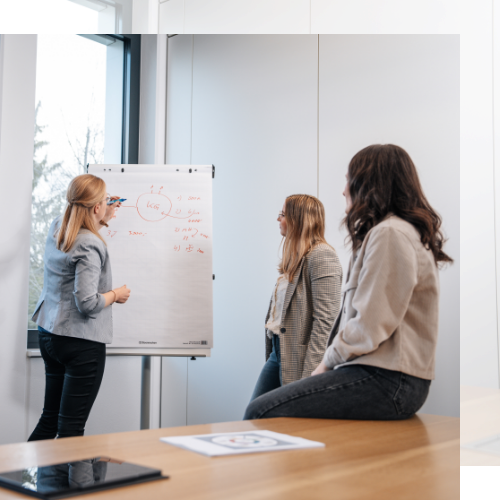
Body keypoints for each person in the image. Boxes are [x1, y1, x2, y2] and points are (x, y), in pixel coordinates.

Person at [244, 144, 453, 420]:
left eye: (348, 180)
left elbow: (368, 324)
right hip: (385, 376)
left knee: (260, 410)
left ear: (369, 184)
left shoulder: (390, 234)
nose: (344, 190)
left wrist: (324, 365)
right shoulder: (384, 234)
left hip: (388, 379)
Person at [28, 174, 131, 441]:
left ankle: (15, 479)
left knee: (49, 420)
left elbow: (80, 229)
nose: (110, 205)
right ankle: (69, 485)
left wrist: (102, 213)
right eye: (106, 200)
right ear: (96, 206)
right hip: (80, 343)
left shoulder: (57, 227)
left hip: (49, 334)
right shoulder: (90, 244)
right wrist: (115, 294)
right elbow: (87, 303)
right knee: (71, 430)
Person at [249, 194, 342, 402]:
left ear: (298, 220)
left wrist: (312, 373)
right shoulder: (295, 259)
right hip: (278, 352)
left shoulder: (322, 256)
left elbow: (326, 321)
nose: (278, 219)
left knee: (284, 420)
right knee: (256, 415)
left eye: (282, 214)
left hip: (300, 358)